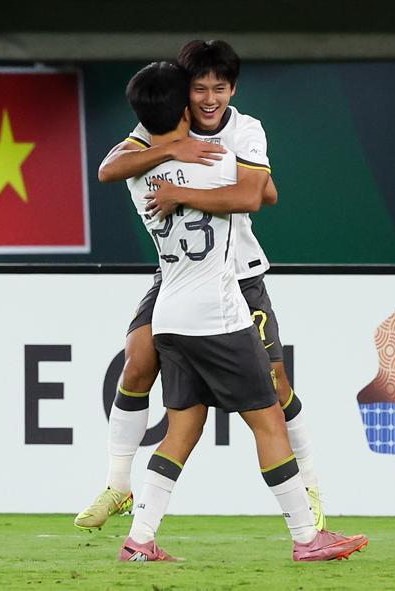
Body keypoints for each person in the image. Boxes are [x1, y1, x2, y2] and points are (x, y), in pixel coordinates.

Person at [116, 60, 367, 561]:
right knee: (270, 420)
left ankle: (139, 539)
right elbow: (261, 193)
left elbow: (111, 167)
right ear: (184, 108)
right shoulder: (217, 161)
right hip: (219, 314)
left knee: (182, 429)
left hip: (169, 315)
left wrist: (169, 166)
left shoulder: (138, 175)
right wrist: (226, 168)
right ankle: (307, 537)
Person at [75, 39, 327, 533]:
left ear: (233, 89)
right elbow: (108, 169)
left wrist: (181, 192)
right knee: (137, 361)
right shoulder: (165, 127)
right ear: (185, 93)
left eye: (219, 88)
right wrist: (172, 148)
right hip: (176, 274)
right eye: (200, 88)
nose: (209, 98)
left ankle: (311, 487)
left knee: (275, 386)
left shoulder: (245, 130)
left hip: (238, 275)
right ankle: (117, 485)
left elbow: (261, 194)